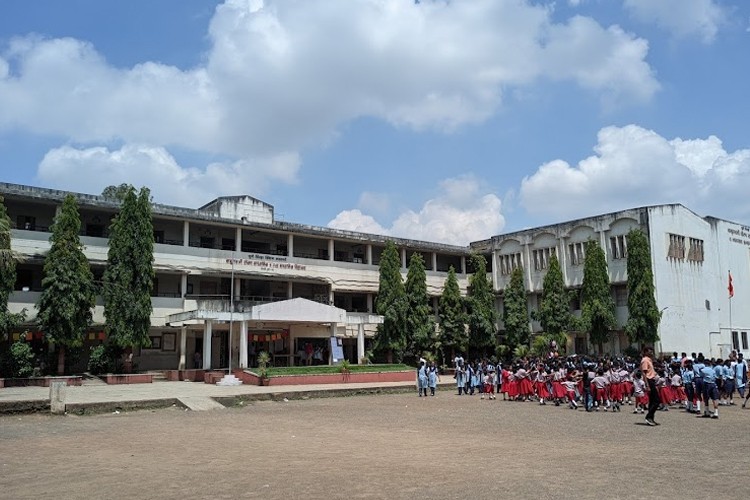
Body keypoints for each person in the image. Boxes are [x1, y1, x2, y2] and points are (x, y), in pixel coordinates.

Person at [641, 346, 660, 426]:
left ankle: (651, 418)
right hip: (649, 380)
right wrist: (647, 385)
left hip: (652, 380)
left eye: (652, 351)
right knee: (656, 400)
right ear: (645, 352)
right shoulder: (645, 360)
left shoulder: (649, 360)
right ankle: (649, 416)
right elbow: (644, 373)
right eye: (649, 351)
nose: (651, 353)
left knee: (652, 400)